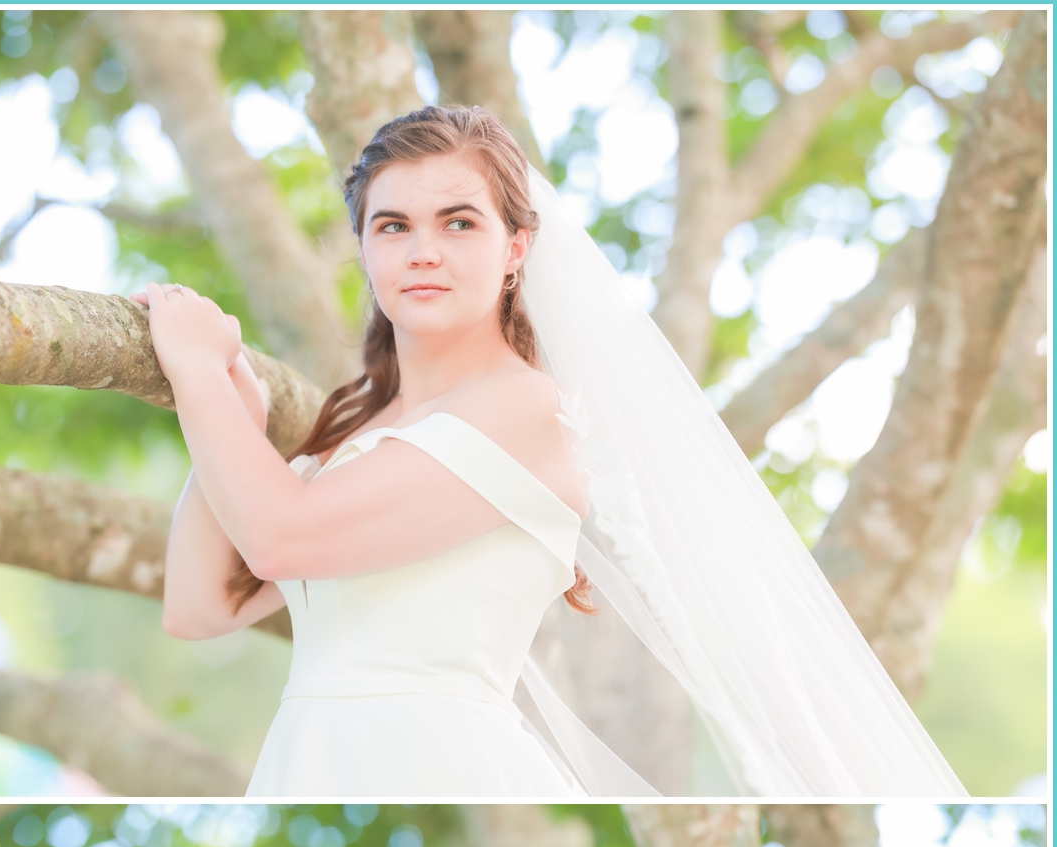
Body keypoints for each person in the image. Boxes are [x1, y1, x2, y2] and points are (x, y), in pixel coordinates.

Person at [139, 105, 963, 801]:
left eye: (458, 222)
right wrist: (229, 410)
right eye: (393, 225)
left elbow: (282, 537)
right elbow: (200, 608)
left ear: (516, 250)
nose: (422, 250)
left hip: (431, 757)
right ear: (365, 247)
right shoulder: (359, 426)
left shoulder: (521, 409)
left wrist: (196, 369)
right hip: (312, 750)